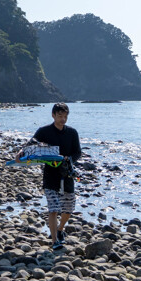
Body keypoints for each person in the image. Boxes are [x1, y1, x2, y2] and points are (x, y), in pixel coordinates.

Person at [27, 102, 81, 250]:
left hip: (67, 174)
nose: (63, 119)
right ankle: (54, 241)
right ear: (53, 115)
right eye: (60, 116)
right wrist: (21, 153)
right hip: (50, 175)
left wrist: (68, 159)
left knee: (69, 208)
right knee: (53, 208)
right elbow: (31, 144)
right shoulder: (44, 131)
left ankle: (60, 229)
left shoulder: (72, 133)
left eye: (65, 116)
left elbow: (78, 152)